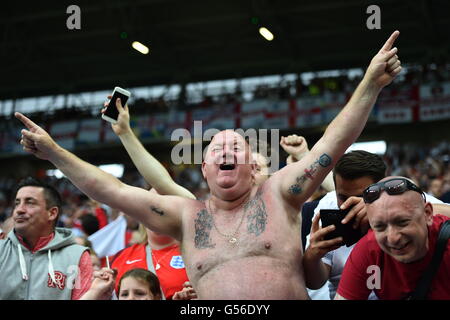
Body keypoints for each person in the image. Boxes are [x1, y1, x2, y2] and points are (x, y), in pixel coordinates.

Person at [16, 31, 403, 299]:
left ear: (253, 166)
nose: (225, 151)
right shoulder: (186, 214)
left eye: (235, 146)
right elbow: (111, 190)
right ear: (203, 170)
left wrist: (371, 83)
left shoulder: (281, 193)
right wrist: (54, 152)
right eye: (215, 149)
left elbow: (332, 145)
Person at [303, 151, 449, 299]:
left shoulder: (400, 197)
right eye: (342, 197)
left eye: (362, 196)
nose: (350, 203)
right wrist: (312, 256)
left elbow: (432, 210)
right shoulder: (330, 209)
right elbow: (315, 283)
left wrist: (376, 207)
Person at [335, 176, 450, 300]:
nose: (392, 238)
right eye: (380, 227)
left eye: (402, 222)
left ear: (427, 213)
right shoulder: (370, 251)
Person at [0, 177, 93, 300]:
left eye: (30, 202)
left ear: (52, 213)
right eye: (17, 203)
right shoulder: (1, 250)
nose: (19, 210)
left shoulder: (77, 257)